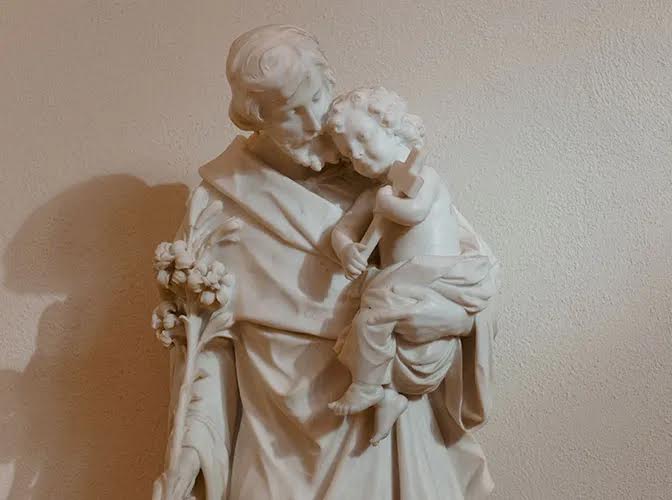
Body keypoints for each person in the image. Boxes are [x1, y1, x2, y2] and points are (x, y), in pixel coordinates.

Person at [152, 24, 500, 500]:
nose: (316, 121)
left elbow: (471, 279)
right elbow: (205, 344)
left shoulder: (377, 170)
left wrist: (451, 321)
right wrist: (193, 447)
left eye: (318, 97)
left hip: (381, 441)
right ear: (256, 121)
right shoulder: (218, 207)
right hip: (276, 450)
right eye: (291, 113)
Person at [324, 87, 494, 446]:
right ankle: (386, 395)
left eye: (363, 138)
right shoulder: (372, 196)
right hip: (402, 283)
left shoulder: (424, 178)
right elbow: (342, 229)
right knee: (369, 324)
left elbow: (414, 212)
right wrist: (347, 249)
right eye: (347, 153)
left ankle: (371, 388)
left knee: (374, 317)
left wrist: (387, 204)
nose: (356, 154)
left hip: (439, 278)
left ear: (394, 129)